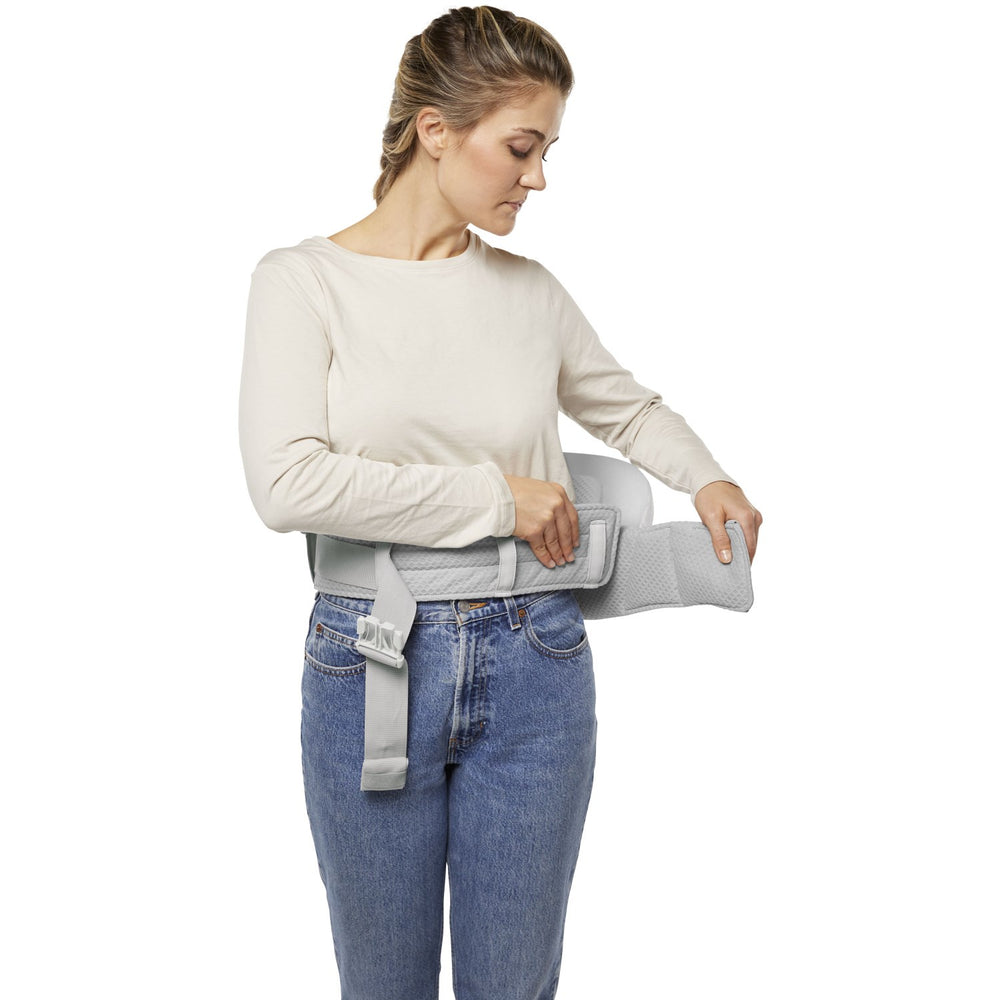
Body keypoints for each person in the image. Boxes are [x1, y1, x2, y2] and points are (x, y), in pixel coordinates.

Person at [239, 6, 762, 999]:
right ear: (435, 130)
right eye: (522, 148)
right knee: (382, 985)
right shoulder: (303, 283)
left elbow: (626, 407)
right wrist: (494, 500)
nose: (539, 177)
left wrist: (707, 477)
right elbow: (287, 483)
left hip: (537, 657)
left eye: (547, 152)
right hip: (374, 655)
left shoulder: (529, 291)